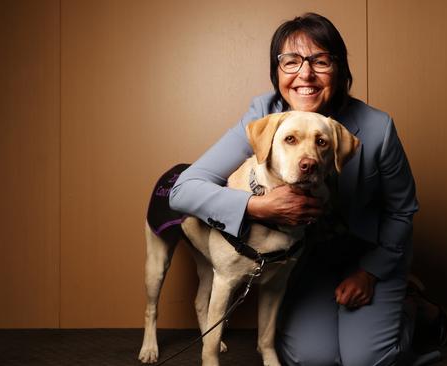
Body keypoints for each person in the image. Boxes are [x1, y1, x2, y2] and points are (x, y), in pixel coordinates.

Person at [170, 13, 420, 366]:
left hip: (364, 258)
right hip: (302, 260)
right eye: (291, 61)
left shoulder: (377, 129)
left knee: (366, 360)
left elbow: (402, 211)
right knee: (312, 358)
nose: (305, 74)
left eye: (320, 61)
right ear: (277, 72)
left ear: (339, 68)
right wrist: (257, 208)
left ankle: (411, 310)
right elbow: (184, 191)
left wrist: (370, 272)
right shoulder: (264, 114)